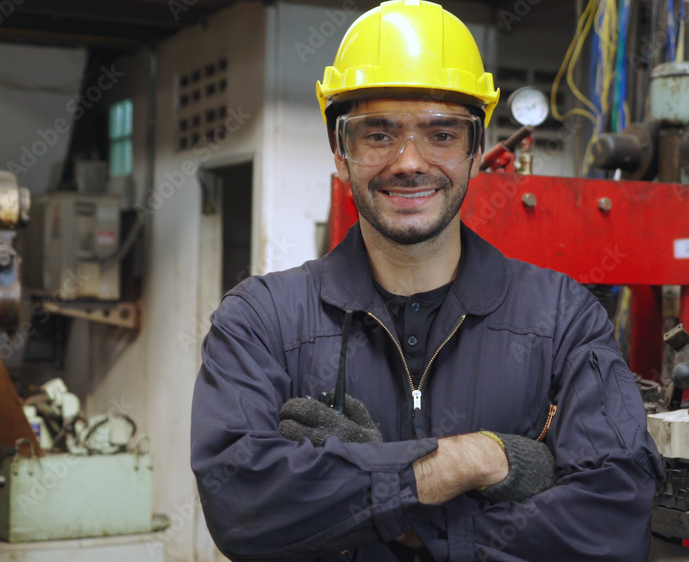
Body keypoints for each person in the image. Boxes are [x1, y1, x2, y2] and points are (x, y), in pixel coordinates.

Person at [191, 1, 662, 560]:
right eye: (378, 134)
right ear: (340, 152)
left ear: (475, 150)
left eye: (441, 134)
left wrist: (403, 519)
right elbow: (240, 505)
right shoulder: (261, 320)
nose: (409, 161)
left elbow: (614, 517)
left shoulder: (563, 321)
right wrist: (470, 462)